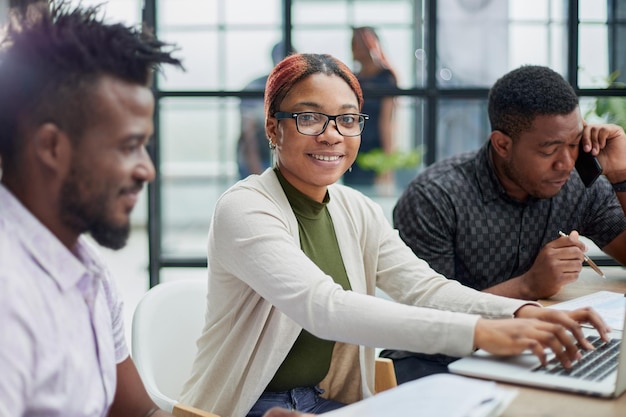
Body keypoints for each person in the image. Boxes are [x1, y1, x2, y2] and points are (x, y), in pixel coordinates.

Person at [178, 53, 610, 417]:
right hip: (247, 407)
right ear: (274, 127)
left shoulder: (356, 209)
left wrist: (519, 314)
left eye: (347, 119)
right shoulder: (245, 208)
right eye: (310, 117)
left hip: (329, 402)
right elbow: (323, 308)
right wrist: (479, 332)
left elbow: (423, 288)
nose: (332, 133)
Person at [0, 3, 305, 417]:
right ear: (52, 148)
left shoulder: (85, 270)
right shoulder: (11, 298)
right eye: (129, 146)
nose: (148, 169)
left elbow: (140, 413)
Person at [384, 64, 626, 383]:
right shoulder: (434, 198)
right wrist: (528, 286)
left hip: (534, 351)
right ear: (502, 144)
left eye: (573, 144)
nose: (566, 163)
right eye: (549, 150)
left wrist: (621, 176)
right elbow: (428, 323)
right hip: (438, 365)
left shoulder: (579, 185)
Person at [342, 26, 398, 190]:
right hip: (353, 147)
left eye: (357, 44)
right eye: (353, 44)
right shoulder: (353, 78)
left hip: (375, 150)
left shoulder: (386, 78)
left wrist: (387, 164)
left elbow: (387, 123)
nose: (354, 49)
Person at [237, 42, 294, 179]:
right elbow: (248, 135)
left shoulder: (300, 89)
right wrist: (256, 174)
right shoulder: (254, 88)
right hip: (258, 159)